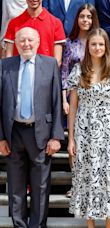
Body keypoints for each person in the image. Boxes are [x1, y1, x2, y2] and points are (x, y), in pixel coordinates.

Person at [0, 27, 64, 228]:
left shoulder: (50, 64)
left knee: (41, 186)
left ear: (37, 42)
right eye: (22, 41)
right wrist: (1, 137)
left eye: (30, 40)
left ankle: (37, 226)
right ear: (16, 44)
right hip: (14, 133)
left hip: (41, 134)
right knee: (16, 187)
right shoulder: (5, 65)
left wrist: (56, 136)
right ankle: (19, 225)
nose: (26, 44)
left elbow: (56, 102)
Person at [67, 28, 110, 227]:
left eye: (101, 44)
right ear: (88, 46)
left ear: (106, 46)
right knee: (86, 174)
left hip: (109, 130)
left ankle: (109, 223)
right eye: (93, 44)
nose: (97, 47)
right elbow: (73, 106)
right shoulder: (78, 70)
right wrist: (71, 139)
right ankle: (90, 223)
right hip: (84, 130)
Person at [60, 3, 99, 198]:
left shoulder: (99, 42)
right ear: (77, 19)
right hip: (74, 100)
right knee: (74, 142)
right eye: (82, 16)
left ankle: (92, 184)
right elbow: (64, 73)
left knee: (93, 142)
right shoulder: (69, 43)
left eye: (89, 17)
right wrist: (63, 100)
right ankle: (77, 184)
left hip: (96, 100)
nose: (85, 20)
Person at [4, 0, 66, 66]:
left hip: (45, 73)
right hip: (19, 72)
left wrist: (49, 74)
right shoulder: (14, 23)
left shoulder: (56, 23)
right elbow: (9, 56)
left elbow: (57, 60)